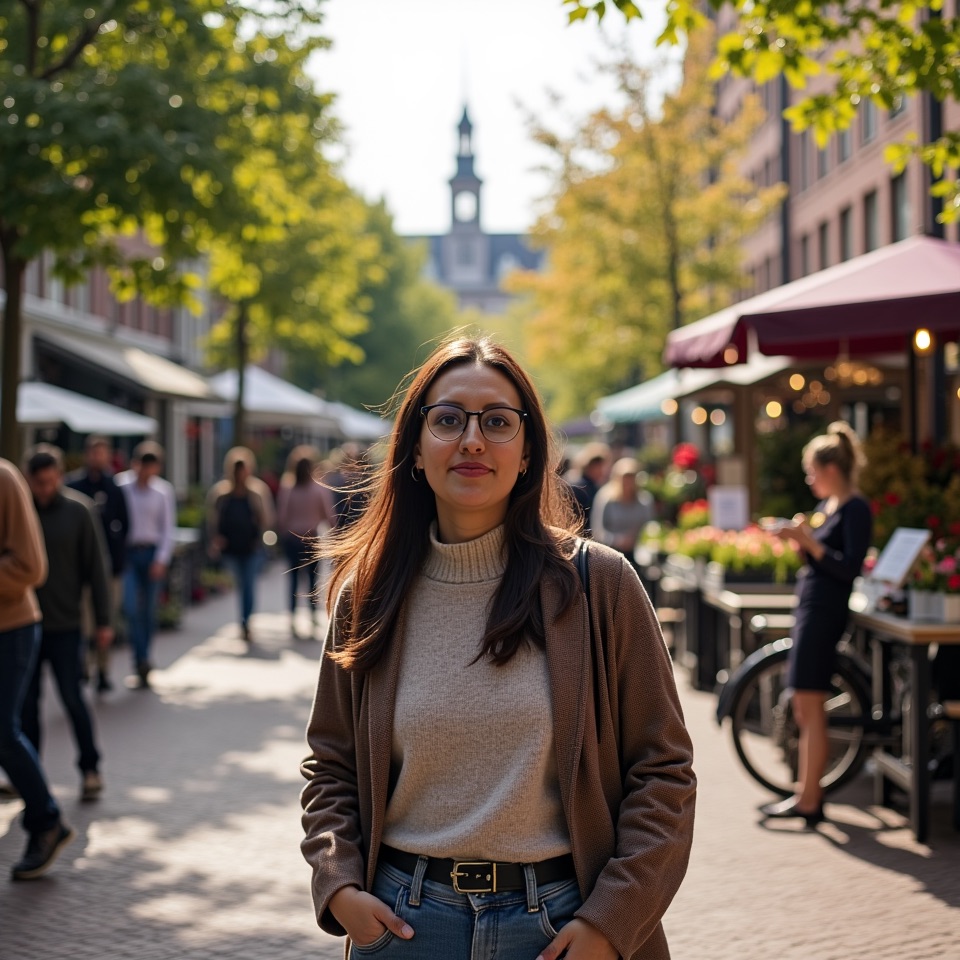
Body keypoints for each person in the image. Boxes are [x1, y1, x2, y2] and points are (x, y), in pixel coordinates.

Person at [300, 335, 696, 960]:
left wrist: (611, 921)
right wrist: (340, 885)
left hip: (561, 926)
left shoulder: (601, 586)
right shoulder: (368, 595)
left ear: (527, 451)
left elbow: (664, 772)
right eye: (449, 420)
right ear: (415, 450)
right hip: (403, 925)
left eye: (498, 422)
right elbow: (331, 764)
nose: (473, 440)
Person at [760, 422, 872, 825]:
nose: (809, 479)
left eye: (812, 471)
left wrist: (808, 542)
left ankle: (809, 798)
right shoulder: (832, 508)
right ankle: (806, 794)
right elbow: (824, 562)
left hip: (826, 614)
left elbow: (848, 568)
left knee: (811, 705)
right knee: (806, 708)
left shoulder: (855, 508)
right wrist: (802, 542)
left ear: (831, 469)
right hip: (812, 608)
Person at [22, 445, 111, 803]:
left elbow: (97, 569)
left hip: (66, 624)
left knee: (73, 698)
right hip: (25, 625)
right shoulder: (21, 511)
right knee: (26, 706)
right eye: (37, 483)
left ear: (58, 476)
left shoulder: (79, 511)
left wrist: (103, 621)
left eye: (48, 482)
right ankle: (30, 778)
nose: (43, 489)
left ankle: (90, 768)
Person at [0, 457, 75, 881]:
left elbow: (32, 566)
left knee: (4, 733)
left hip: (10, 628)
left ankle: (47, 822)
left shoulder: (5, 479)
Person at [67, 434, 130, 692]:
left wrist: (118, 558)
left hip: (109, 569)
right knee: (83, 620)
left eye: (102, 453)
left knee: (106, 620)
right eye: (94, 452)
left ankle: (103, 670)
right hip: (80, 569)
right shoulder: (74, 486)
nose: (97, 457)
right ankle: (82, 666)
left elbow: (125, 524)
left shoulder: (114, 488)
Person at [116, 441, 175, 688]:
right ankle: (140, 658)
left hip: (151, 554)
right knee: (130, 607)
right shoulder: (121, 486)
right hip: (128, 554)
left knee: (148, 611)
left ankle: (143, 660)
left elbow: (167, 528)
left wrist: (161, 559)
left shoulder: (163, 491)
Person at [206, 447, 275, 644]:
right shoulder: (221, 494)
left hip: (251, 548)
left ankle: (246, 622)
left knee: (248, 585)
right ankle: (243, 619)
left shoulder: (257, 492)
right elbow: (213, 520)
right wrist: (216, 539)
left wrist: (262, 536)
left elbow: (267, 519)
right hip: (231, 549)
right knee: (240, 585)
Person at [276, 446, 334, 640]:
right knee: (312, 581)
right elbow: (329, 516)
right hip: (311, 539)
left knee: (293, 581)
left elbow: (282, 517)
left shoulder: (288, 489)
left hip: (292, 539)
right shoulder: (318, 490)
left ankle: (292, 618)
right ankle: (311, 617)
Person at [591, 457, 654, 570]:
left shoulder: (644, 500)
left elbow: (649, 528)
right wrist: (618, 540)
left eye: (631, 479)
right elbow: (598, 532)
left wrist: (637, 539)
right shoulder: (605, 499)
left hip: (639, 554)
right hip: (611, 555)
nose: (628, 484)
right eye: (625, 479)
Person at [566, 442, 610, 536]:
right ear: (591, 466)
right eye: (600, 466)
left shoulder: (590, 486)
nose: (603, 471)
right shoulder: (581, 488)